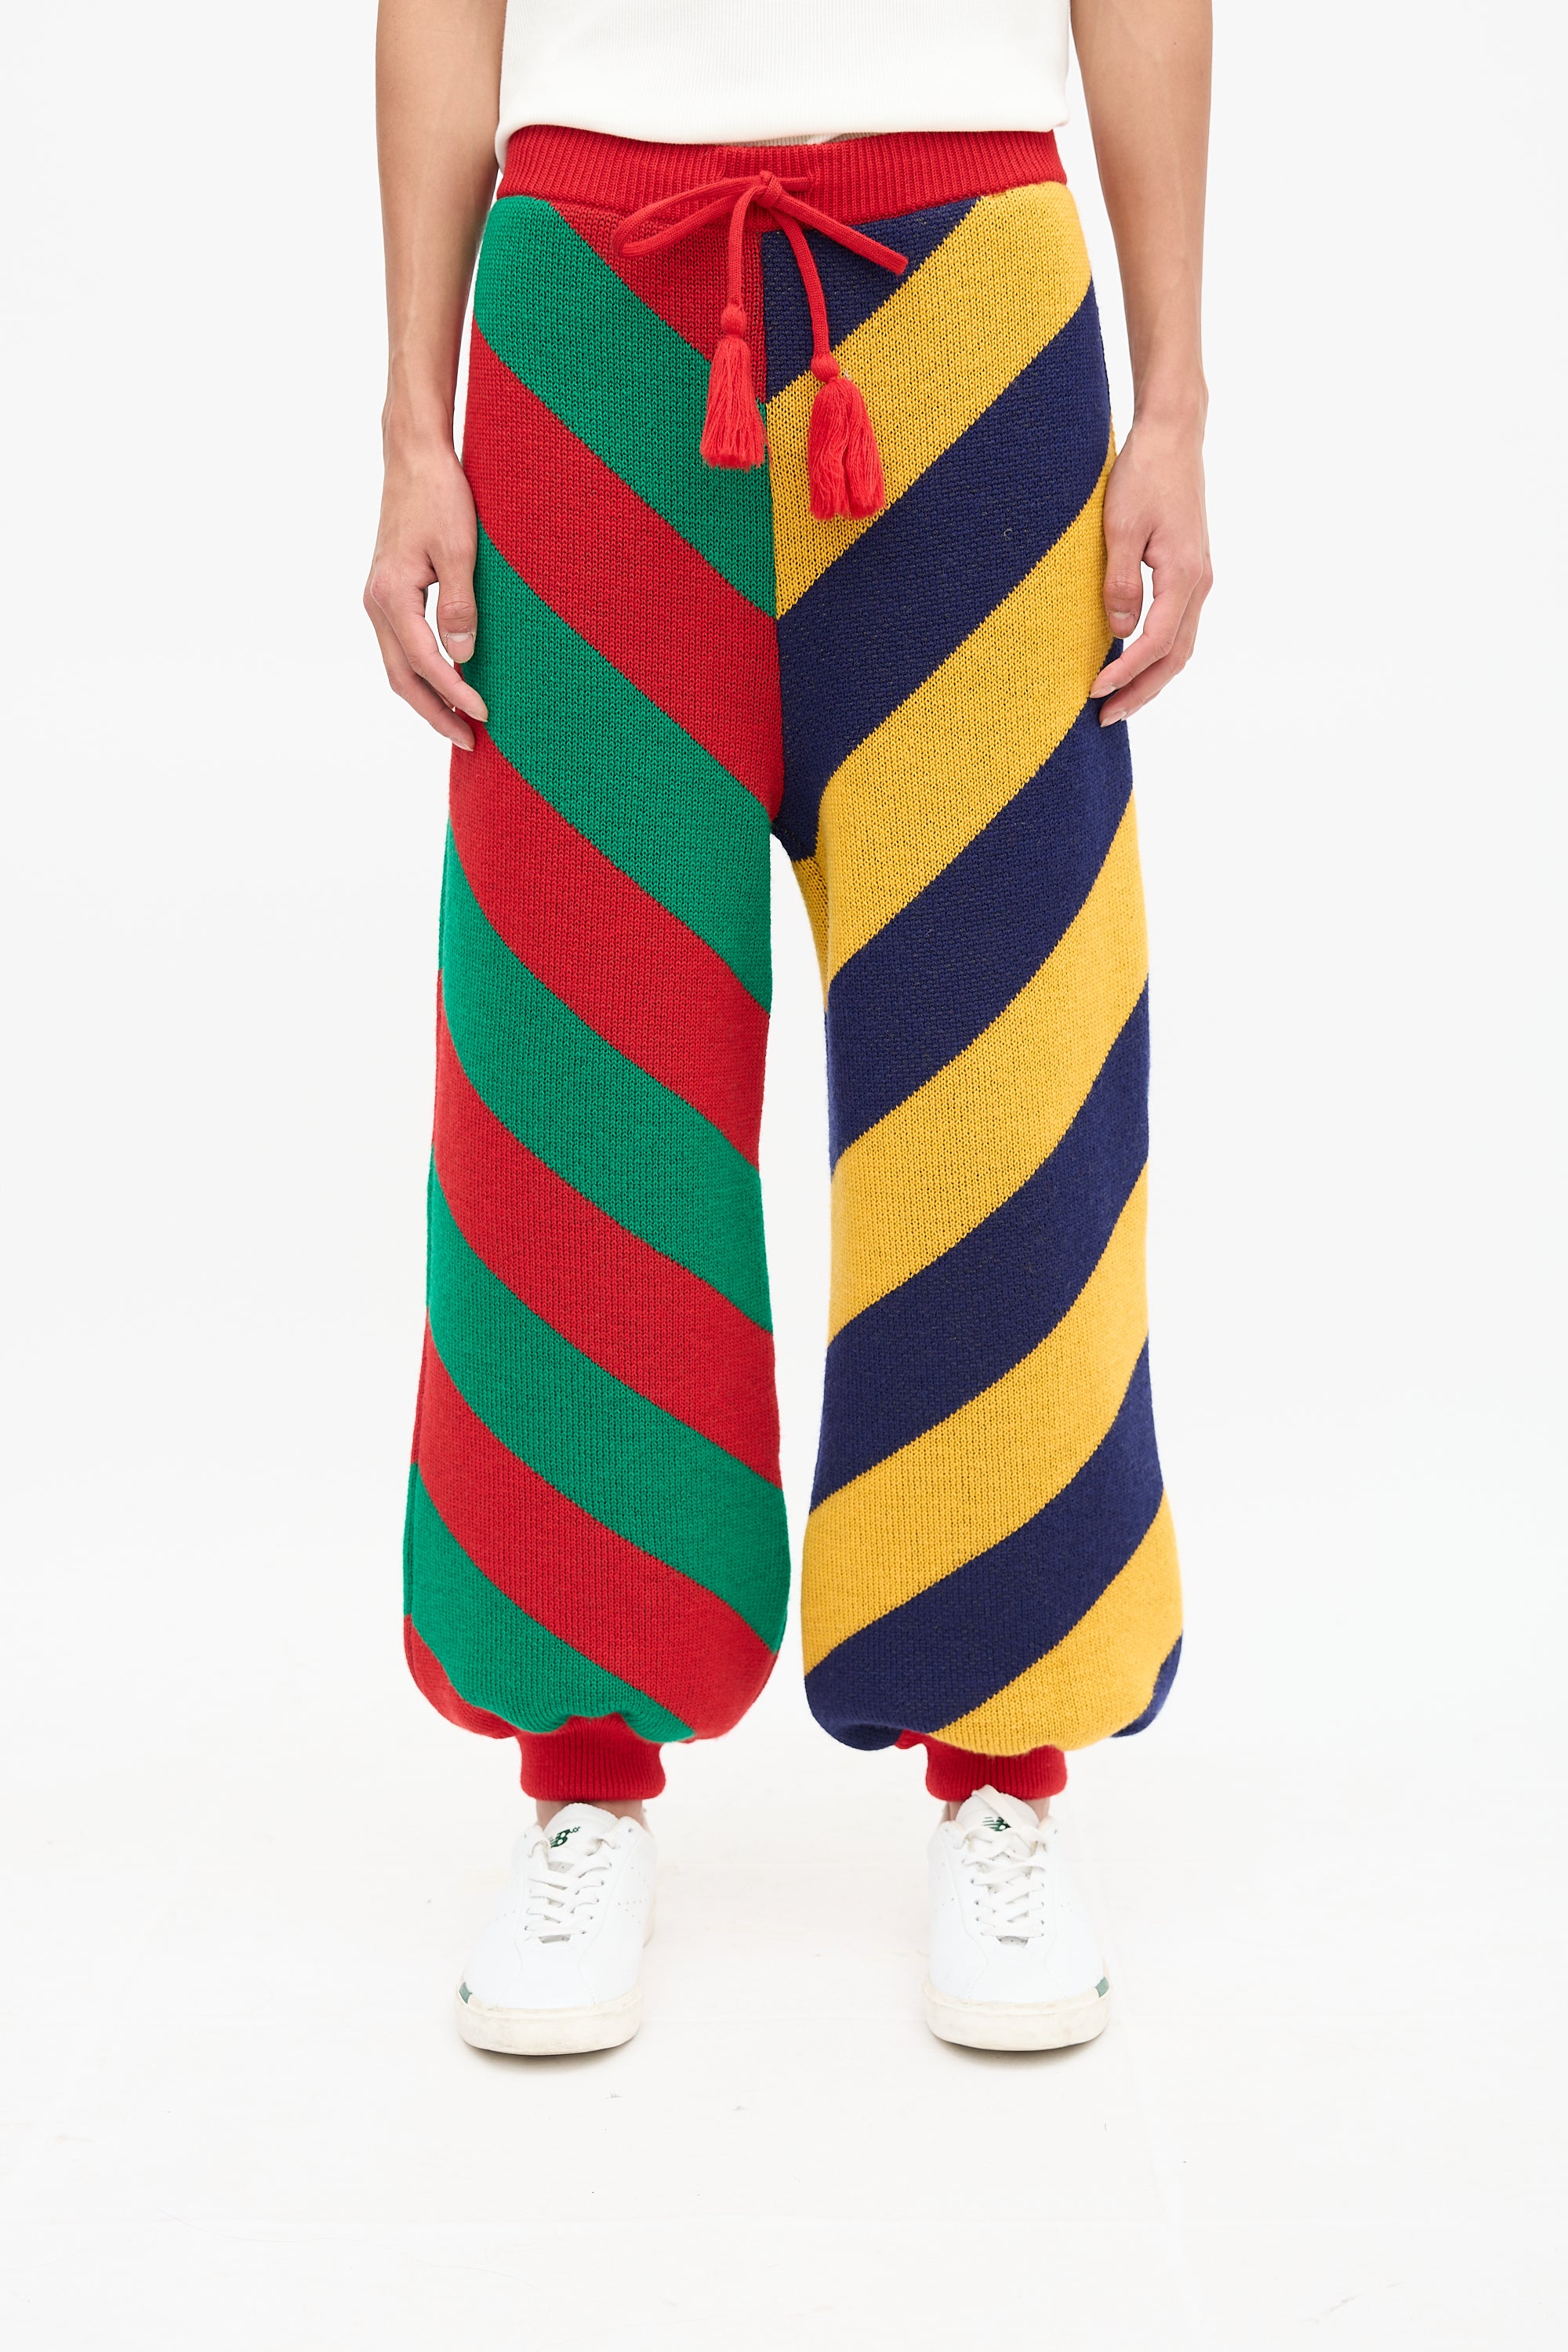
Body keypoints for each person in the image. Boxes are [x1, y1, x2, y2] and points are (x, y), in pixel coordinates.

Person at [365, 0, 1211, 2057]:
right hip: (587, 310)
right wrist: (412, 423)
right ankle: (582, 1778)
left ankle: (1005, 1776)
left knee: (1002, 1060)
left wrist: (1175, 397)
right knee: (574, 1069)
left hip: (973, 299)